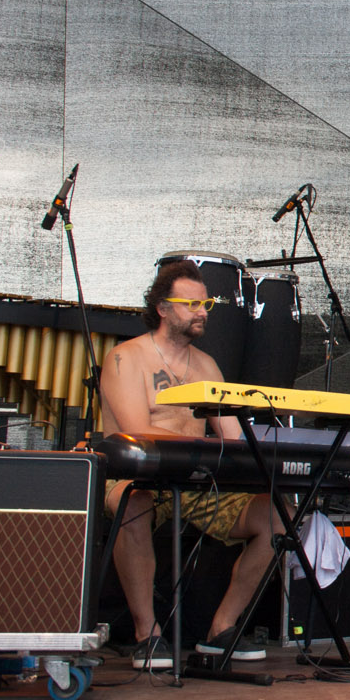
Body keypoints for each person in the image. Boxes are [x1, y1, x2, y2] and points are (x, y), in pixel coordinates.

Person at [99, 261, 284, 668]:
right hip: (134, 478)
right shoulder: (126, 358)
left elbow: (233, 437)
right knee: (134, 503)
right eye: (193, 304)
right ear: (163, 308)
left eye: (207, 304)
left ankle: (222, 628)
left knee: (277, 517)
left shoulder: (207, 365)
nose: (203, 312)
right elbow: (136, 431)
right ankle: (147, 633)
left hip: (196, 481)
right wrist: (203, 446)